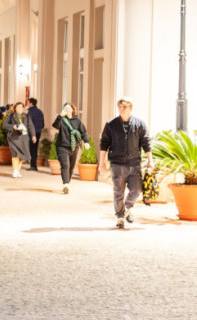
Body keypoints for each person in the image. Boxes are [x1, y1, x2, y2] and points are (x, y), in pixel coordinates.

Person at [99, 97, 152, 229]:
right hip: (117, 164)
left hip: (134, 164)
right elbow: (104, 143)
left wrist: (150, 160)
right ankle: (120, 217)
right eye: (120, 107)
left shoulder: (139, 124)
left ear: (130, 108)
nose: (122, 109)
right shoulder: (111, 124)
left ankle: (128, 207)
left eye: (125, 107)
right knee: (118, 191)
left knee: (137, 189)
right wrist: (102, 162)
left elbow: (146, 142)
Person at [52, 103, 89, 194]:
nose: (67, 110)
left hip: (74, 147)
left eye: (69, 108)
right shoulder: (61, 120)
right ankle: (65, 184)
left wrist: (86, 142)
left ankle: (67, 183)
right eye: (65, 108)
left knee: (71, 167)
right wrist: (60, 116)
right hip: (62, 146)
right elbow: (55, 126)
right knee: (65, 165)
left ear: (72, 110)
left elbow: (83, 132)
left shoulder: (77, 121)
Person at [2, 101, 34, 178]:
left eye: (21, 107)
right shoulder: (11, 116)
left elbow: (31, 126)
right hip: (13, 138)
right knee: (15, 154)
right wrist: (13, 127)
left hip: (23, 138)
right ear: (15, 108)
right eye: (18, 107)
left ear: (23, 108)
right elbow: (4, 125)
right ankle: (15, 170)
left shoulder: (26, 116)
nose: (20, 109)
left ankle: (18, 170)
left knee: (21, 155)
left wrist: (33, 136)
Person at [26, 98, 45, 171]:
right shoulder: (40, 112)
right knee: (35, 149)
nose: (28, 104)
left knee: (32, 149)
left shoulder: (30, 112)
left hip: (32, 133)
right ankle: (34, 165)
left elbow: (29, 124)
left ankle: (33, 165)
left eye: (28, 103)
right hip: (38, 132)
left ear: (31, 103)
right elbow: (43, 124)